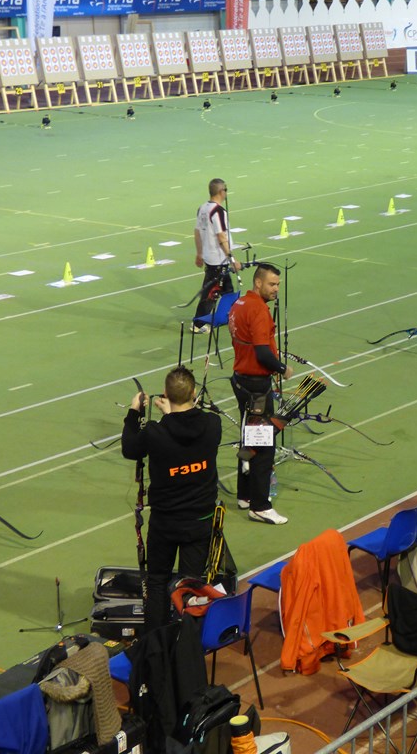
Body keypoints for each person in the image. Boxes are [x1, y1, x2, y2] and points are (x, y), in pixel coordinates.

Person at [121, 366, 222, 634]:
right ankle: (189, 641)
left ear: (165, 394)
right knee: (191, 585)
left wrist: (134, 412)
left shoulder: (155, 433)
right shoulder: (213, 424)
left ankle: (156, 642)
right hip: (199, 519)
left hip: (165, 522)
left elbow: (130, 448)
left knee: (157, 582)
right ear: (194, 393)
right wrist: (173, 416)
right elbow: (187, 432)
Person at [227, 263, 294, 525]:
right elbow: (262, 352)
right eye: (272, 284)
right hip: (256, 386)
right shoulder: (258, 310)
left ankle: (245, 495)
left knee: (248, 438)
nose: (276, 289)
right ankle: (260, 506)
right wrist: (282, 368)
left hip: (241, 380)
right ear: (258, 283)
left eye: (278, 284)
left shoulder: (240, 303)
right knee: (264, 445)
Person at [193, 178, 242, 326]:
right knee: (211, 294)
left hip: (211, 258)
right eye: (225, 190)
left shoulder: (202, 208)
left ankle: (230, 316)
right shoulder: (218, 211)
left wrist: (199, 253)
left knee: (228, 290)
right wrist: (232, 259)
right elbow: (221, 236)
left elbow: (197, 232)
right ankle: (198, 324)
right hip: (218, 259)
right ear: (221, 192)